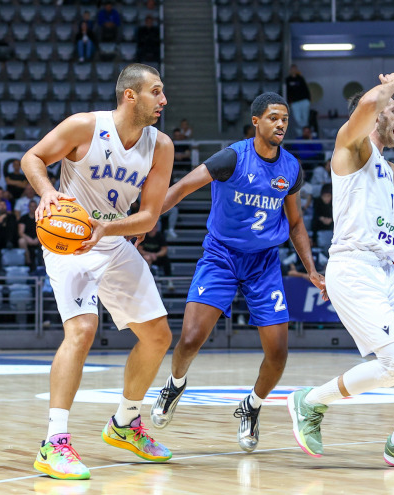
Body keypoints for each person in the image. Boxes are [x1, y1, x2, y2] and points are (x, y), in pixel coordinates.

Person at [21, 63, 174, 480]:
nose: (163, 101)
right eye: (156, 92)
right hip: (69, 242)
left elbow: (147, 217)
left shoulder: (161, 146)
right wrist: (49, 191)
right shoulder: (85, 126)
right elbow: (32, 157)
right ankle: (54, 444)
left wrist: (109, 228)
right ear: (130, 95)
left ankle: (125, 423)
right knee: (83, 330)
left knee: (158, 336)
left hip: (111, 239)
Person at [150, 92, 326, 453]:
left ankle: (251, 406)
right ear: (256, 122)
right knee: (190, 338)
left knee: (278, 353)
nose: (281, 124)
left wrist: (312, 270)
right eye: (274, 118)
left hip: (263, 262)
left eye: (285, 120)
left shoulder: (291, 167)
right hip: (222, 256)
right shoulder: (231, 157)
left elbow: (295, 223)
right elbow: (182, 187)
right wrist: (143, 222)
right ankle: (175, 384)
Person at [287, 73, 394, 470]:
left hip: (385, 271)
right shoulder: (350, 150)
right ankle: (310, 402)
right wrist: (388, 89)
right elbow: (364, 107)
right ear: (376, 114)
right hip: (353, 267)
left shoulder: (387, 170)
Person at [285, 65, 311, 134]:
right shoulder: (288, 80)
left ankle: (305, 131)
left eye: (294, 69)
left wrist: (308, 100)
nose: (293, 71)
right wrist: (289, 101)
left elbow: (306, 89)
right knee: (298, 118)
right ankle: (301, 132)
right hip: (295, 102)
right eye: (292, 69)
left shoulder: (300, 78)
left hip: (303, 100)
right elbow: (287, 92)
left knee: (305, 117)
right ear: (290, 70)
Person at [18, 200, 40, 268]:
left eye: (34, 206)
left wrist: (38, 238)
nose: (33, 208)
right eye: (31, 206)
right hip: (27, 239)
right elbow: (20, 232)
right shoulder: (23, 218)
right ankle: (28, 261)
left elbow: (44, 231)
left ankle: (42, 262)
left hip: (39, 238)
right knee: (21, 241)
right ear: (28, 207)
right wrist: (28, 239)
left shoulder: (41, 217)